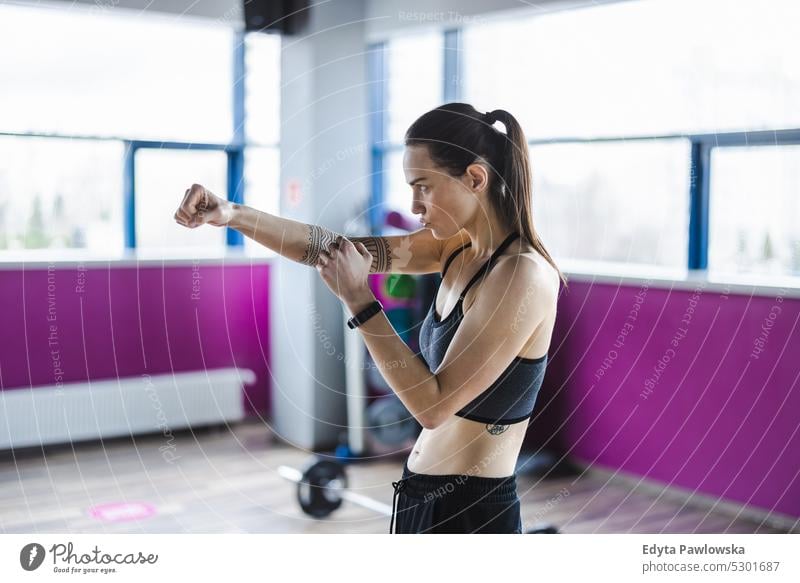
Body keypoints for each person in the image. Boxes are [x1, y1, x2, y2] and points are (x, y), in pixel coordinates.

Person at [173, 102, 567, 534]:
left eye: (424, 187)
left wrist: (359, 300)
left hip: (471, 511)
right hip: (422, 494)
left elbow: (434, 406)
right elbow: (330, 247)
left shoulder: (521, 275)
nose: (415, 205)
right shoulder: (453, 248)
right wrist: (230, 214)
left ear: (475, 178)